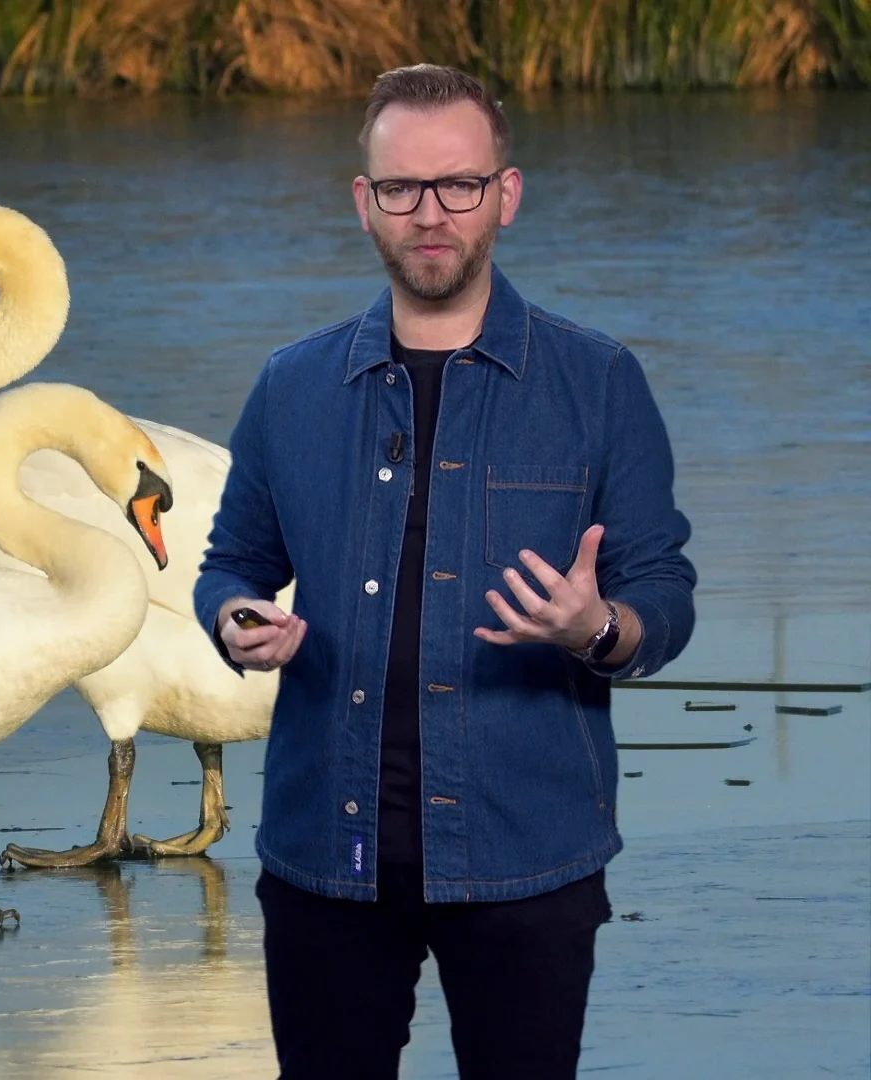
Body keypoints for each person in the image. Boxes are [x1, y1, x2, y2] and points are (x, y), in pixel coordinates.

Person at [192, 64, 697, 1079]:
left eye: (459, 185)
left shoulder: (598, 383)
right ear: (363, 205)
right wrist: (239, 620)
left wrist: (599, 630)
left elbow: (663, 596)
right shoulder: (293, 386)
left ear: (505, 195)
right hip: (326, 864)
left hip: (527, 860)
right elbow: (232, 565)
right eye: (402, 190)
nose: (432, 214)